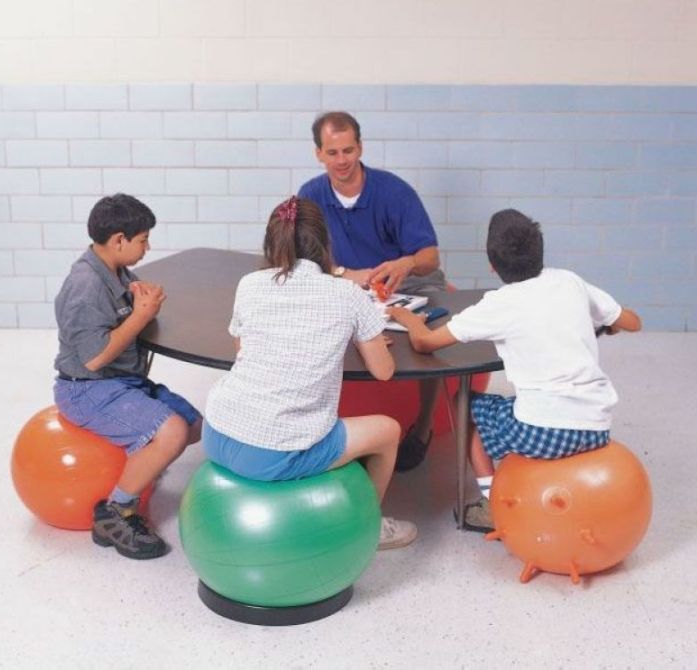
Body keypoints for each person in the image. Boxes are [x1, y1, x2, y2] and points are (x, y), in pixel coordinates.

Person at [388, 208, 642, 529]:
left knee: (465, 406)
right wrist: (612, 324)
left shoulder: (498, 305)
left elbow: (425, 343)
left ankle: (491, 503)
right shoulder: (569, 281)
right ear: (540, 251)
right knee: (507, 405)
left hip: (543, 432)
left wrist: (406, 317)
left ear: (492, 266)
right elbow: (632, 322)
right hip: (597, 427)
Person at [202, 196, 417, 550]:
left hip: (218, 432)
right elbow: (383, 371)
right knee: (388, 431)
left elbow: (244, 352)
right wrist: (358, 336)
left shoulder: (249, 284)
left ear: (272, 242)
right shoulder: (348, 295)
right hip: (272, 454)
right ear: (325, 244)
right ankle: (371, 527)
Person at [297, 110, 455, 480]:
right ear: (318, 153)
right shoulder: (310, 195)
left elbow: (431, 259)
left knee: (427, 342)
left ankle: (423, 428)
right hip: (344, 288)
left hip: (408, 287)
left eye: (348, 151)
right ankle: (323, 430)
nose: (342, 161)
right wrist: (343, 275)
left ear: (360, 147)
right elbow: (304, 260)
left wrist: (406, 263)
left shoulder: (394, 191)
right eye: (332, 153)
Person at [53, 194, 203, 560]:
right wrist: (140, 316)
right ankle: (115, 512)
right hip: (87, 388)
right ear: (119, 239)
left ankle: (143, 466)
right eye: (143, 240)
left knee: (194, 424)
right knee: (173, 432)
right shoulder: (86, 287)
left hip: (122, 382)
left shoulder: (116, 270)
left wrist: (145, 304)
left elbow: (132, 313)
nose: (147, 247)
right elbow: (93, 359)